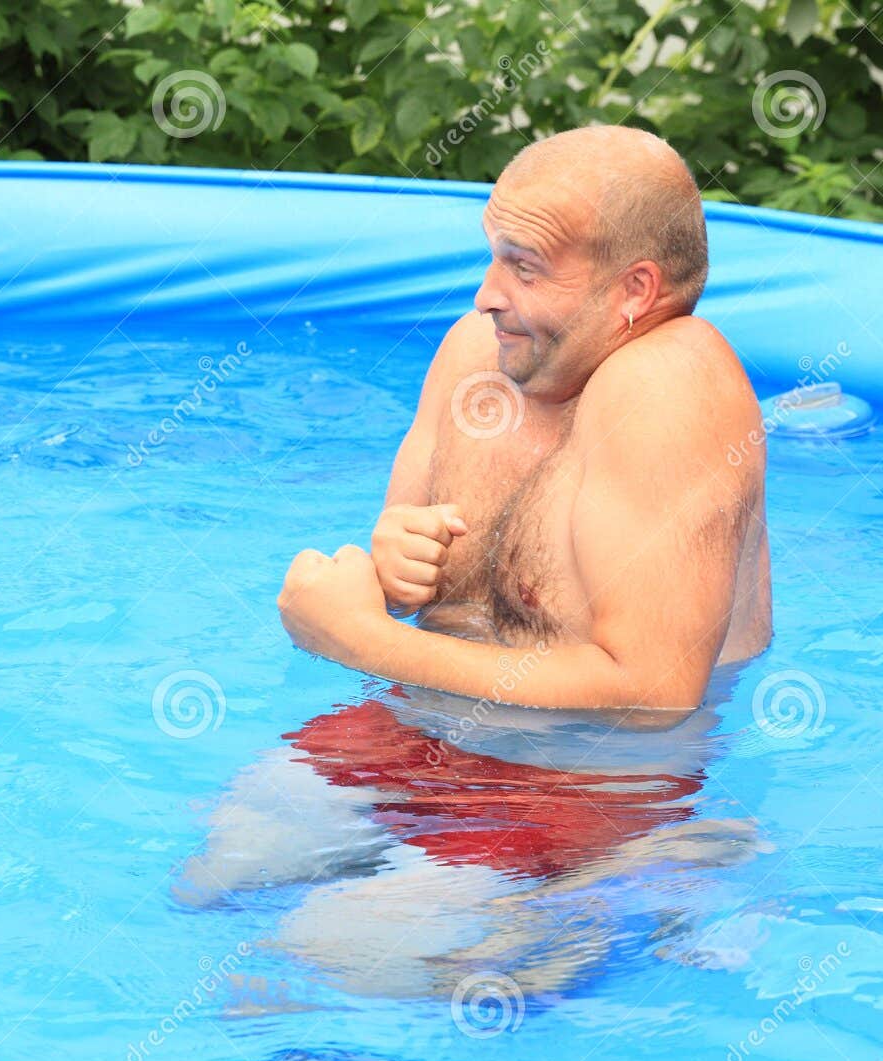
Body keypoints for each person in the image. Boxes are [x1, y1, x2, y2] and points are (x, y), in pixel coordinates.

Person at [278, 126, 771, 719]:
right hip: (428, 728)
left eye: (526, 268)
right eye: (494, 256)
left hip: (595, 783)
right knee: (246, 812)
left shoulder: (674, 384)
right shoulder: (475, 355)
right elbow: (400, 595)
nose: (486, 295)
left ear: (635, 289)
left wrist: (362, 640)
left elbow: (653, 697)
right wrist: (392, 570)